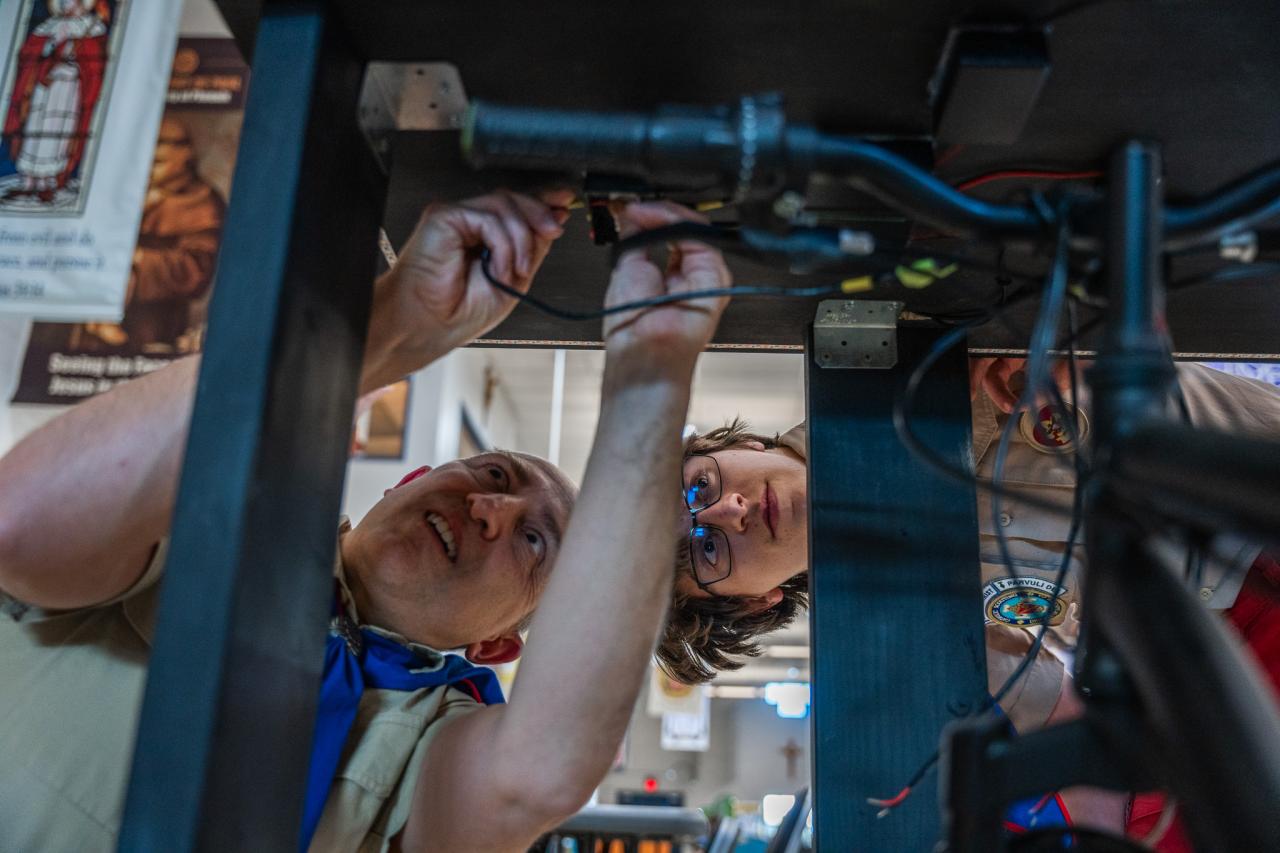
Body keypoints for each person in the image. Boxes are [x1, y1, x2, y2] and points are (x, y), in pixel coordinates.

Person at [0, 189, 732, 852]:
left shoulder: (432, 740)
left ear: (497, 642)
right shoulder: (227, 518)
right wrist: (391, 323)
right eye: (494, 475)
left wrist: (646, 380)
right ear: (406, 484)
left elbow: (536, 777)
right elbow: (19, 524)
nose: (491, 511)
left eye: (534, 541)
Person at [658, 357, 1280, 848]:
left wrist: (1038, 342)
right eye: (708, 550)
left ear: (740, 445)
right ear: (755, 602)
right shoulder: (897, 616)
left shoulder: (897, 368)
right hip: (1228, 635)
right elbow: (1058, 712)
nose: (729, 510)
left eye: (698, 487)